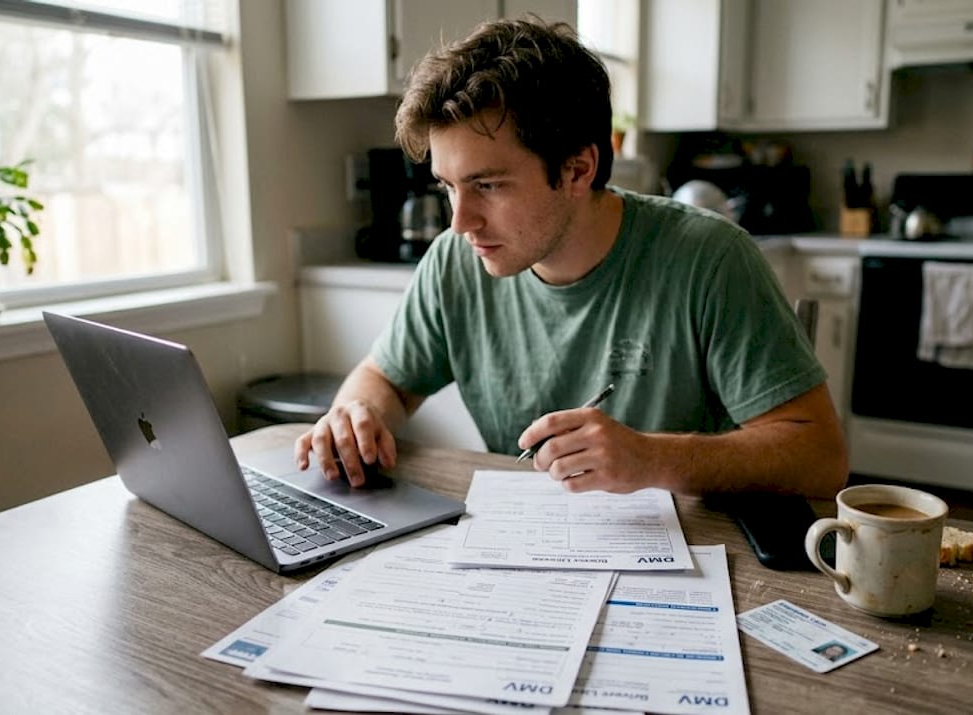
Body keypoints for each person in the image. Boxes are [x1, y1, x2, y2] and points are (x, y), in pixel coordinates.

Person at [295, 17, 847, 498]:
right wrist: (356, 416)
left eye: (487, 185)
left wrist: (651, 459)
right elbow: (385, 381)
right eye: (448, 187)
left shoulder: (710, 258)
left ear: (578, 170)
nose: (460, 222)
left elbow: (820, 458)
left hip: (695, 562)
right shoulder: (452, 263)